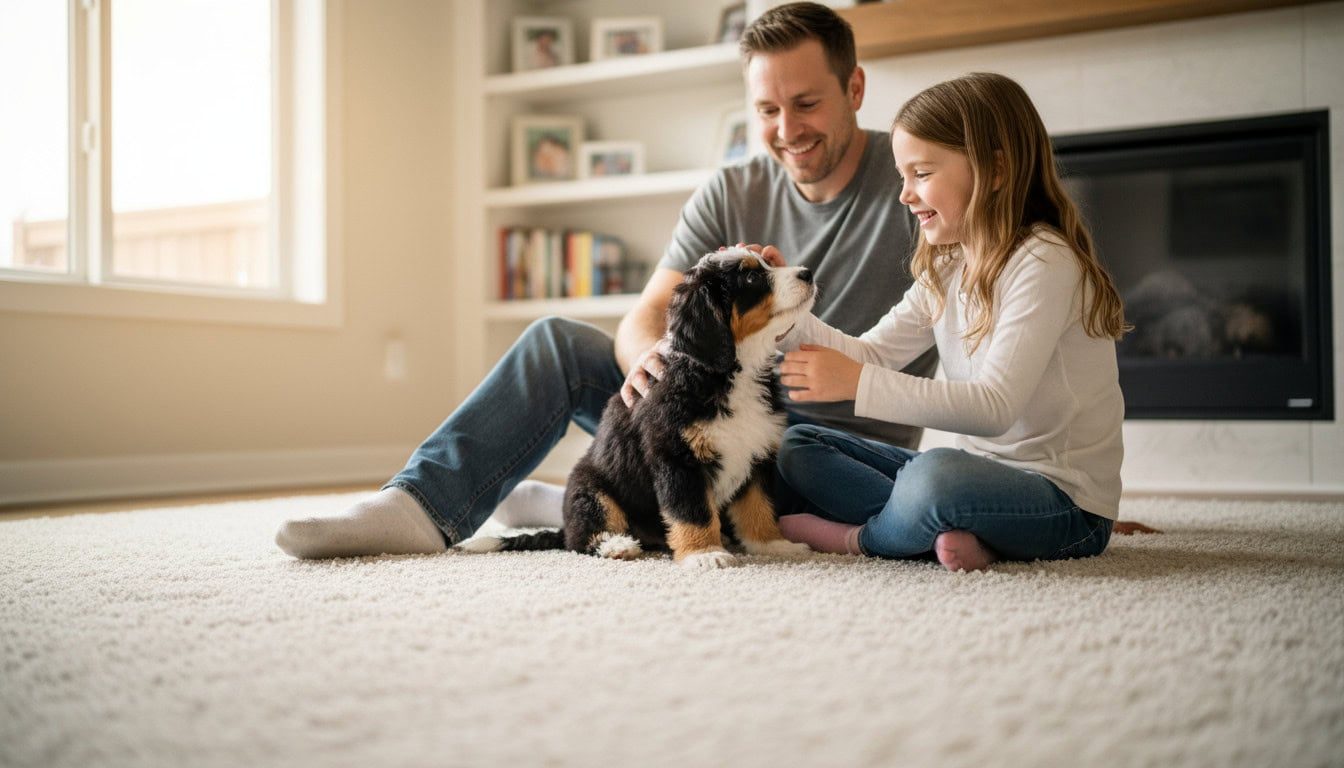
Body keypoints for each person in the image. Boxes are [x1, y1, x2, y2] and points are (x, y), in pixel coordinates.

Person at [274, 4, 1152, 560]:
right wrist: (649, 357)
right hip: (711, 406)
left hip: (819, 430)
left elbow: (999, 382)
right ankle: (422, 506)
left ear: (854, 88)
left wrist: (1036, 504)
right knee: (555, 341)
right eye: (766, 109)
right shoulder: (734, 185)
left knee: (806, 451)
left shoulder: (923, 186)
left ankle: (607, 497)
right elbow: (651, 313)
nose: (785, 129)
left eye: (806, 104)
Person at [770, 72, 1132, 572]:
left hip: (1066, 504)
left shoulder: (1045, 261)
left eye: (921, 173)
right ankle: (955, 533)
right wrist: (782, 311)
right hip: (978, 478)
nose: (904, 194)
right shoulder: (947, 267)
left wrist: (858, 385)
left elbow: (994, 407)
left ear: (996, 170)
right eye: (902, 176)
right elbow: (873, 354)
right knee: (797, 445)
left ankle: (865, 538)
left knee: (936, 478)